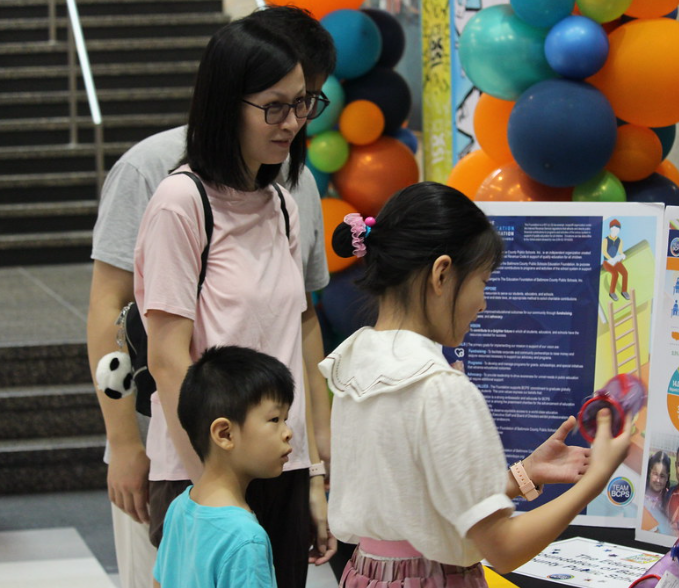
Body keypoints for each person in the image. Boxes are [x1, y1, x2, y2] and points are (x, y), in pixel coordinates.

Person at [85, 7, 336, 588]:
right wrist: (215, 484)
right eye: (274, 106)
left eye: (303, 104)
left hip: (279, 463)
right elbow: (169, 357)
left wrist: (313, 474)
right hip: (210, 474)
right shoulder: (180, 201)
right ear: (227, 102)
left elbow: (297, 330)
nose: (293, 122)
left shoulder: (281, 200)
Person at [320, 182, 633, 585]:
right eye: (483, 282)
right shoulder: (441, 389)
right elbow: (503, 547)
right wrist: (595, 479)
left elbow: (414, 499)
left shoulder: (352, 362)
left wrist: (524, 474)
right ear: (442, 274)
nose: (483, 303)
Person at [153, 346, 294, 588]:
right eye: (274, 420)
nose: (288, 433)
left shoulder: (179, 507)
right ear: (225, 433)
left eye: (286, 420)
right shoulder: (245, 538)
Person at [641, 450, 672, 533]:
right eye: (655, 474)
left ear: (667, 477)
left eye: (662, 476)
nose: (658, 480)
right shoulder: (641, 491)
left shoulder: (669, 497)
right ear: (649, 472)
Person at [602, 218, 629, 301]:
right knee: (615, 274)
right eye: (614, 228)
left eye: (618, 229)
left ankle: (624, 291)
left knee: (625, 273)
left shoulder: (620, 240)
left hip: (615, 261)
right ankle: (612, 292)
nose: (616, 230)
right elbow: (604, 252)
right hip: (607, 262)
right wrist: (611, 259)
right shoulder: (606, 240)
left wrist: (622, 255)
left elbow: (620, 251)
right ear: (611, 229)